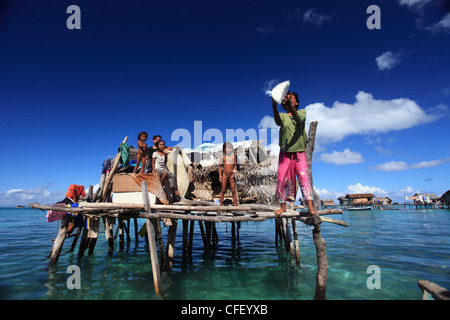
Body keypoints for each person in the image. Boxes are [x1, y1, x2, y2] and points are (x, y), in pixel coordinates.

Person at [272, 91, 318, 216]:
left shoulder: (302, 112)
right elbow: (277, 120)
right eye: (287, 98)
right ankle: (282, 207)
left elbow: (298, 119)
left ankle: (310, 207)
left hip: (299, 154)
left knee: (304, 178)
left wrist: (290, 106)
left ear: (296, 102)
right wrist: (273, 105)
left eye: (292, 98)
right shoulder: (283, 116)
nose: (289, 99)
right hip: (285, 154)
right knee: (281, 179)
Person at [219, 142, 238, 206]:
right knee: (223, 190)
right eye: (227, 148)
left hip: (231, 175)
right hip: (224, 174)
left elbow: (235, 166)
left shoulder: (233, 157)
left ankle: (235, 205)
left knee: (233, 190)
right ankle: (220, 206)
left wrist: (235, 169)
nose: (229, 150)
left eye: (230, 148)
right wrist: (220, 176)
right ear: (224, 149)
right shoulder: (222, 157)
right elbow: (219, 167)